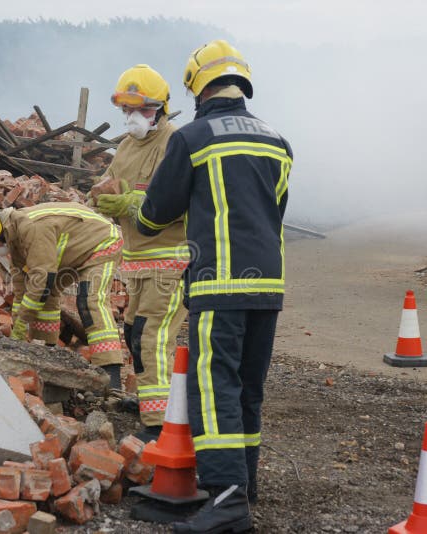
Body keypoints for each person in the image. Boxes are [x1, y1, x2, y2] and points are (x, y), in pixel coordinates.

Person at [135, 40, 292, 533]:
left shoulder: (193, 138)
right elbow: (273, 211)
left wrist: (135, 207)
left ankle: (226, 500)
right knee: (248, 386)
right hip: (267, 284)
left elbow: (154, 214)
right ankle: (244, 483)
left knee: (214, 385)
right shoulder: (277, 141)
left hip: (218, 283)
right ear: (240, 82)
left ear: (198, 87)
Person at [93, 64, 189, 442]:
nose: (133, 118)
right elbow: (110, 187)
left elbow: (179, 202)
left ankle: (159, 426)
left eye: (142, 110)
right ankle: (152, 401)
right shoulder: (127, 146)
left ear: (161, 109)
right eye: (127, 111)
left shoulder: (175, 144)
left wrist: (132, 202)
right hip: (137, 264)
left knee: (152, 338)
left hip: (170, 261)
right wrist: (101, 197)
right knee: (135, 333)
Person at [0, 202, 125, 384]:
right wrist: (18, 325)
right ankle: (46, 353)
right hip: (73, 252)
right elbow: (22, 286)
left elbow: (41, 279)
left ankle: (112, 376)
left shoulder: (31, 228)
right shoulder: (14, 238)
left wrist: (24, 320)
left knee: (90, 302)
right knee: (46, 296)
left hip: (103, 243)